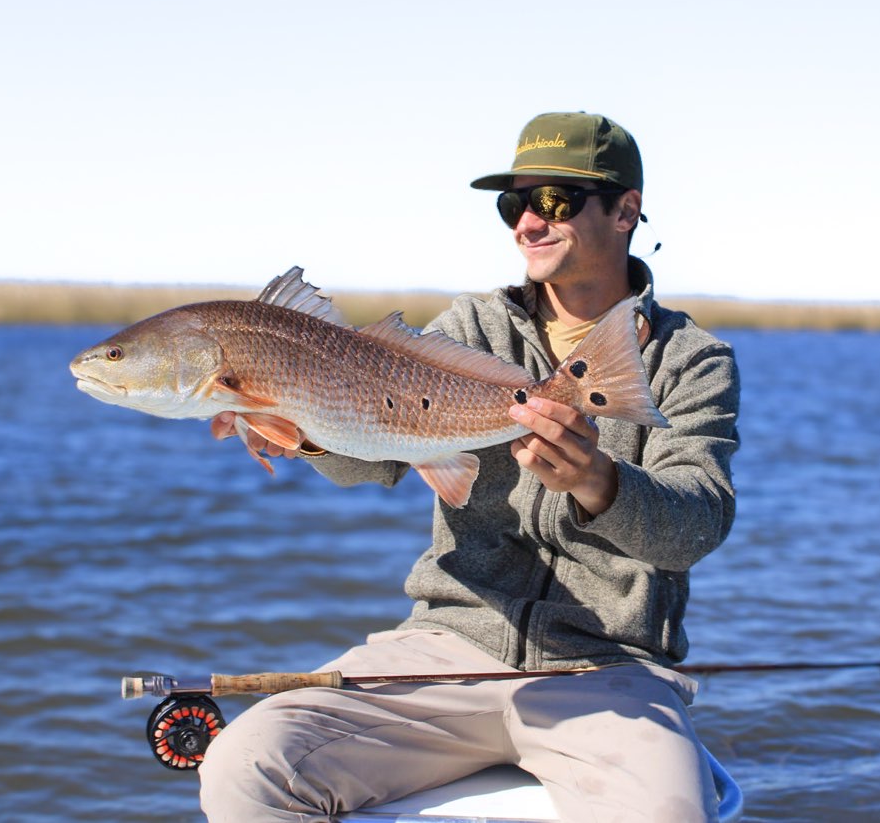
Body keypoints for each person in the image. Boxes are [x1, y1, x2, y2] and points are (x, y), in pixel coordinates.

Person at [198, 112, 741, 822]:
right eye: (513, 204)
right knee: (246, 765)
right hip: (444, 649)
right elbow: (383, 459)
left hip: (606, 672)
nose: (527, 224)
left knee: (667, 813)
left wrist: (597, 481)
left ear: (625, 210)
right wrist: (307, 438)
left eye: (555, 201)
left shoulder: (692, 360)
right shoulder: (468, 330)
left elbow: (695, 524)